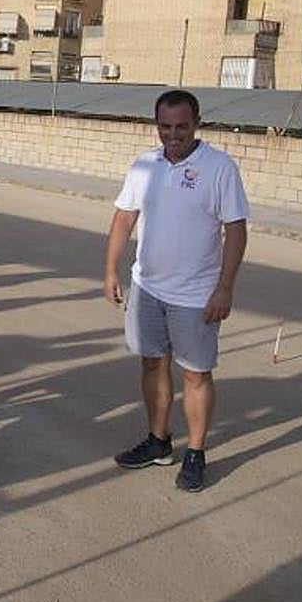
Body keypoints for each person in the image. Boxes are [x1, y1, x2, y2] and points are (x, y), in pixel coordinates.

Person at [104, 89, 249, 493]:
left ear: (196, 123)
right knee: (152, 364)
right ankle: (158, 440)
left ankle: (196, 453)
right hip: (147, 288)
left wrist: (224, 288)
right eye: (165, 127)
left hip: (196, 296)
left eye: (181, 126)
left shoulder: (220, 167)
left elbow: (236, 231)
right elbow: (123, 220)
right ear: (157, 126)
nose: (173, 135)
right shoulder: (144, 166)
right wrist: (110, 270)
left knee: (196, 374)